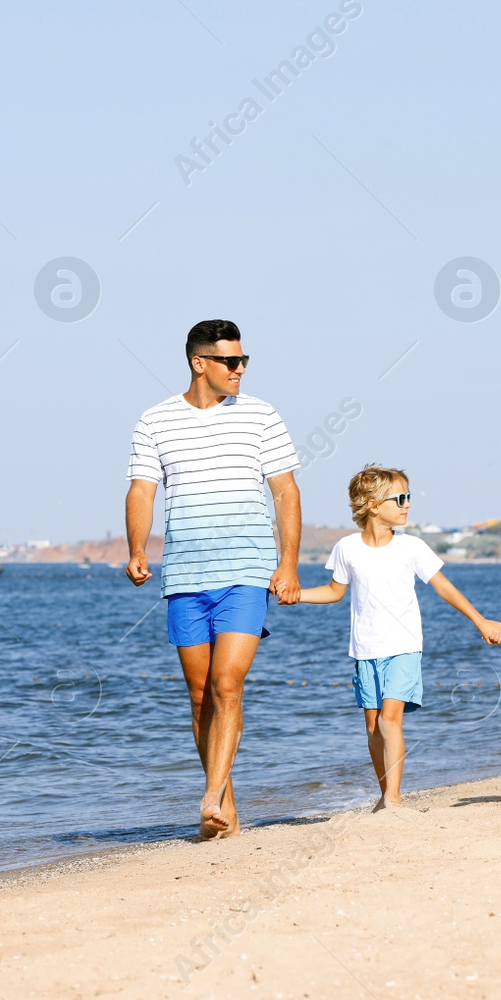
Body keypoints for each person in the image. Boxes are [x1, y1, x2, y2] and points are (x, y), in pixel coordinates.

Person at [125, 320, 302, 839]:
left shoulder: (261, 416)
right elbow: (141, 491)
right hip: (184, 573)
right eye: (231, 361)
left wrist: (287, 563)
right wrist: (137, 548)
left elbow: (286, 492)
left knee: (228, 683)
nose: (240, 369)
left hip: (245, 571)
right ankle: (225, 811)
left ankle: (209, 794)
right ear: (200, 363)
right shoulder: (155, 421)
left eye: (244, 360)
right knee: (201, 694)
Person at [294, 466, 501, 811]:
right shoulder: (347, 548)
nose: (408, 504)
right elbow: (334, 592)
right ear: (374, 504)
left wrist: (481, 622)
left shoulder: (412, 547)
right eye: (401, 498)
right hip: (365, 650)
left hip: (404, 647)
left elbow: (444, 588)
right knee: (373, 726)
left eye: (408, 497)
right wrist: (297, 595)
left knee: (389, 718)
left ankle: (393, 797)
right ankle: (384, 794)